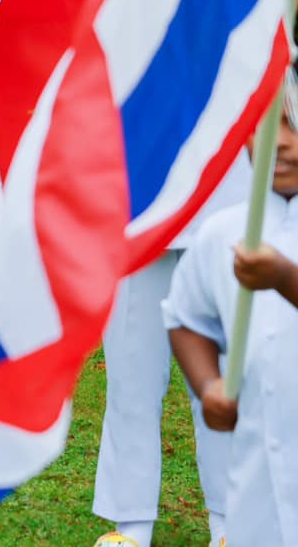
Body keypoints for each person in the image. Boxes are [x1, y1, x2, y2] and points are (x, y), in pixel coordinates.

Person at [88, 0, 242, 547]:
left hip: (223, 214)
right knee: (132, 376)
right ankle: (131, 524)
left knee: (223, 382)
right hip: (136, 215)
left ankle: (231, 521)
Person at [164, 83, 298, 547]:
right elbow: (186, 317)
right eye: (265, 127)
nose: (280, 141)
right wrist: (206, 385)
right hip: (257, 479)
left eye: (294, 125)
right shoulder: (223, 233)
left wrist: (285, 278)